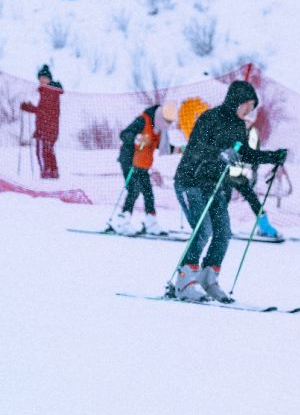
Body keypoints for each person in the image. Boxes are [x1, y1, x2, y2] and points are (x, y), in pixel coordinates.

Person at [171, 81, 286, 302]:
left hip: (215, 185)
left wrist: (273, 156)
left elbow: (245, 154)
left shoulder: (238, 126)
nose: (249, 111)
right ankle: (184, 280)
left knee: (223, 233)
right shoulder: (209, 117)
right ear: (237, 100)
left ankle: (207, 278)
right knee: (203, 230)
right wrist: (219, 153)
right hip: (190, 181)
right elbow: (196, 147)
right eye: (248, 105)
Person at [109, 103, 177, 236]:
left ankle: (150, 222)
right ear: (161, 116)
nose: (167, 125)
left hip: (142, 163)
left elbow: (160, 146)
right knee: (134, 189)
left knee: (148, 192)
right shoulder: (143, 120)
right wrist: (137, 138)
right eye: (167, 121)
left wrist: (181, 149)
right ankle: (122, 221)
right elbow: (124, 134)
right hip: (129, 159)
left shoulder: (158, 128)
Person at [19, 65, 63, 178]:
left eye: (44, 78)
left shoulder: (49, 92)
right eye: (40, 79)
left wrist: (29, 108)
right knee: (48, 150)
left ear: (49, 79)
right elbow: (44, 111)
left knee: (42, 152)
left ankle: (45, 173)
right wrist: (32, 108)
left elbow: (44, 111)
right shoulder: (52, 92)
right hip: (51, 128)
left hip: (45, 128)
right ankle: (53, 172)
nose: (41, 81)